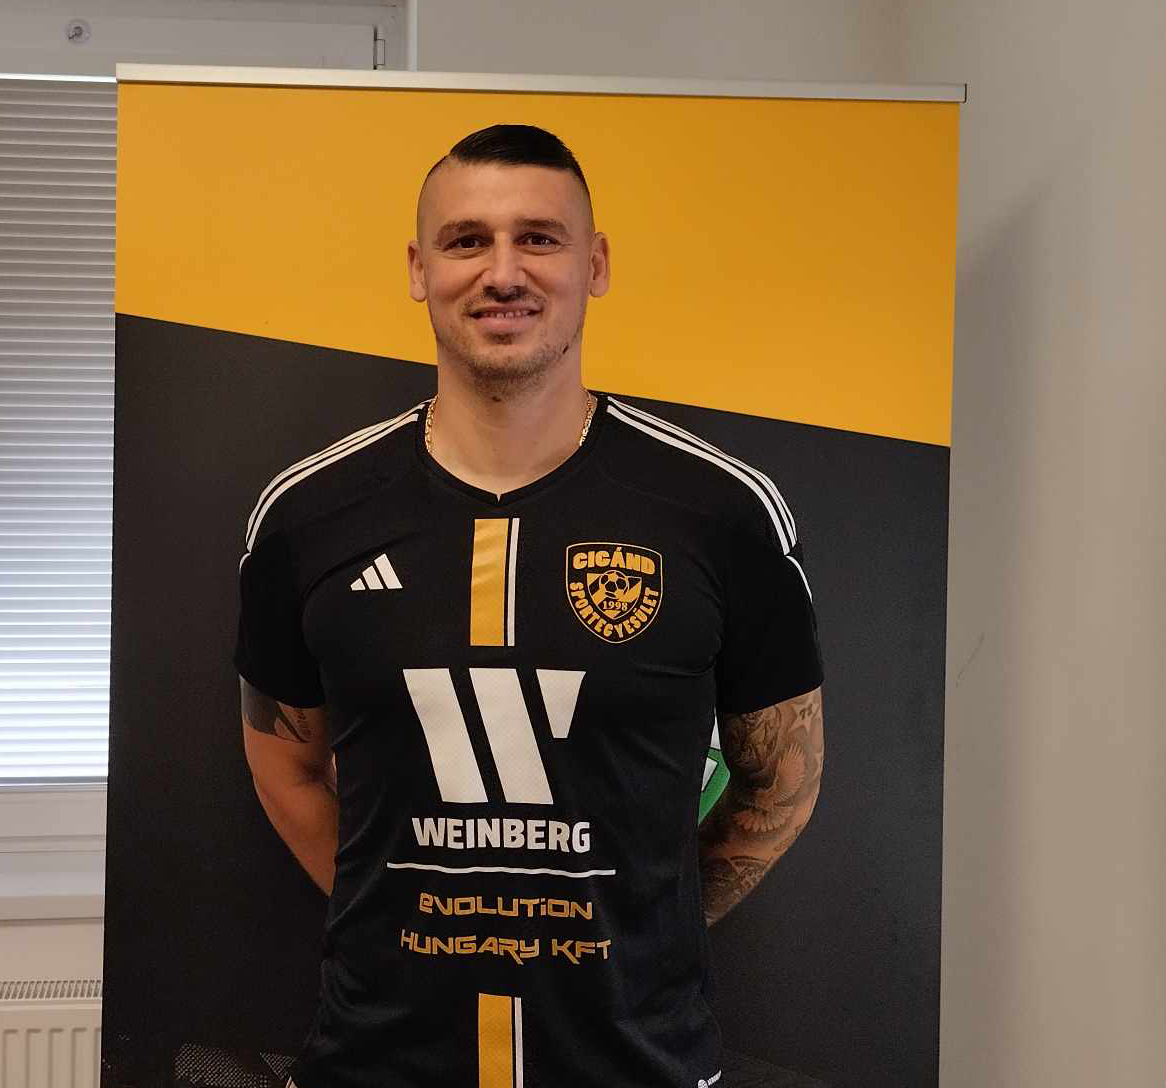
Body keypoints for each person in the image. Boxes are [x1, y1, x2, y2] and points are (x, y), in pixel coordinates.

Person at [235, 123, 825, 1088]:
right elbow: (286, 764)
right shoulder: (307, 514)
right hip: (376, 1064)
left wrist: (644, 922)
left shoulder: (723, 514)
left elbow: (781, 784)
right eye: (467, 240)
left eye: (539, 239)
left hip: (638, 1065)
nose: (503, 272)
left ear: (595, 265)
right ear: (419, 270)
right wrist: (400, 918)